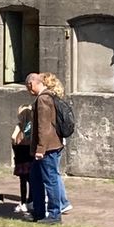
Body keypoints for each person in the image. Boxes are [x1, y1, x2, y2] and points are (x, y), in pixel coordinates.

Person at [27, 72, 65, 224]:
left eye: (28, 88)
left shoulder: (43, 99)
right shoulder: (49, 97)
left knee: (50, 180)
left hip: (47, 148)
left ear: (32, 84)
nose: (29, 91)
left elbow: (44, 126)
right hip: (48, 146)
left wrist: (40, 149)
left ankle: (55, 215)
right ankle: (38, 212)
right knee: (35, 179)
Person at [42, 72, 73, 215]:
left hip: (53, 141)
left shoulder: (48, 100)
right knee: (55, 173)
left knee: (52, 175)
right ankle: (62, 202)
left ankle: (60, 203)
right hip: (60, 140)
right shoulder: (58, 99)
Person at [10, 103, 35, 213]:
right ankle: (31, 201)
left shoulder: (20, 125)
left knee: (23, 181)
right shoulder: (33, 125)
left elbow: (13, 137)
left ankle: (23, 201)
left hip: (21, 154)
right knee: (32, 180)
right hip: (30, 154)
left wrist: (15, 148)